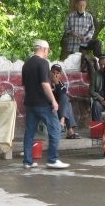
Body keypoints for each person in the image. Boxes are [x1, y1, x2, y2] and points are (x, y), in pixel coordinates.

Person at [21, 40, 69, 169]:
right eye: (47, 50)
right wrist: (54, 101)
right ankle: (52, 159)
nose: (48, 53)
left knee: (30, 132)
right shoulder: (43, 63)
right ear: (43, 49)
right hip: (42, 103)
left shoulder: (26, 64)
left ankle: (27, 161)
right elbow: (45, 84)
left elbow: (25, 86)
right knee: (56, 129)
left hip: (29, 103)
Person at [50, 64, 80, 139]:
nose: (55, 75)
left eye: (57, 73)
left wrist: (56, 84)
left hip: (59, 107)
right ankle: (68, 130)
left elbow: (61, 95)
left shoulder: (61, 84)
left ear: (60, 75)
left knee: (66, 100)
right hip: (49, 105)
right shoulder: (46, 83)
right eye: (53, 72)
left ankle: (62, 122)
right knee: (67, 102)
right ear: (50, 73)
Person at [89, 55, 105, 122]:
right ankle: (96, 127)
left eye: (104, 64)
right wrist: (101, 99)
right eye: (100, 64)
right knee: (96, 105)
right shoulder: (95, 75)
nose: (102, 66)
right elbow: (91, 91)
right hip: (100, 100)